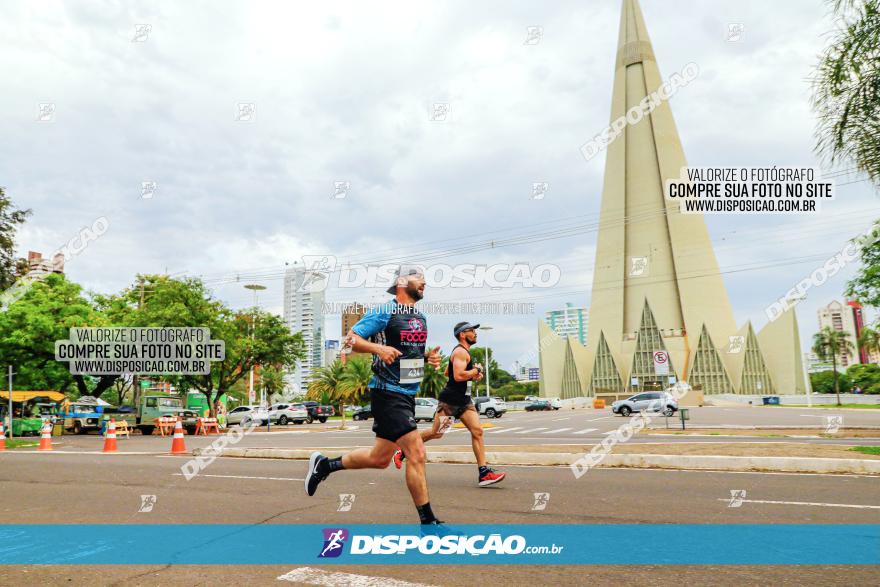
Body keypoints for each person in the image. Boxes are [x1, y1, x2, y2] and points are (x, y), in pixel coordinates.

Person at [304, 265, 444, 524]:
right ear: (402, 282)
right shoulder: (384, 311)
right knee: (417, 453)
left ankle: (324, 465)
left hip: (406, 395)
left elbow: (408, 354)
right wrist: (378, 350)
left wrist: (428, 357)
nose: (424, 282)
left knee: (379, 458)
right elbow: (350, 340)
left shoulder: (420, 318)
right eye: (419, 278)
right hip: (387, 393)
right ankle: (429, 523)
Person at [392, 322, 507, 486]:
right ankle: (403, 450)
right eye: (471, 331)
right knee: (437, 433)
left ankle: (484, 473)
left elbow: (448, 372)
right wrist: (475, 371)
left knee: (478, 431)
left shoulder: (463, 352)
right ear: (462, 334)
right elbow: (459, 376)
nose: (475, 333)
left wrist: (473, 375)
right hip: (450, 403)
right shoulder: (460, 351)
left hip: (464, 402)